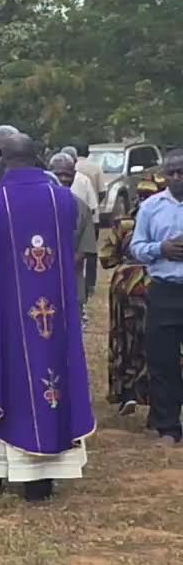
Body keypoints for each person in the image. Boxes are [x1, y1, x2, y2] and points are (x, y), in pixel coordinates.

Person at [0, 134, 93, 500]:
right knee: (49, 381)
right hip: (51, 319)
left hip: (2, 321)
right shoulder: (63, 201)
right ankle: (39, 479)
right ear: (39, 158)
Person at [130, 149, 183, 446]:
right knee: (163, 360)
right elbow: (137, 247)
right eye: (171, 172)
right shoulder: (151, 207)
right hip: (163, 290)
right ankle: (167, 426)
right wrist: (161, 249)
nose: (176, 177)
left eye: (182, 172)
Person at [103, 178, 163, 416]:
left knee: (124, 340)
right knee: (157, 340)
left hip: (125, 286)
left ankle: (126, 393)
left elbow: (106, 259)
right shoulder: (166, 220)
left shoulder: (123, 224)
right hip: (155, 284)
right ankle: (154, 394)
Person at [50, 153, 99, 322]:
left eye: (68, 175)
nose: (63, 179)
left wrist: (59, 268)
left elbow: (85, 249)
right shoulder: (33, 205)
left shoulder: (81, 207)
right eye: (58, 174)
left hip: (71, 284)